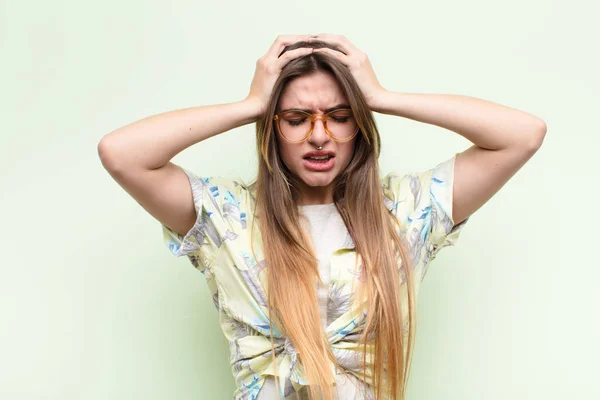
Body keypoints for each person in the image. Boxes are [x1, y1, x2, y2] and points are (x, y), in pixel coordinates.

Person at [98, 34, 546, 400]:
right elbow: (121, 155)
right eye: (296, 118)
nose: (319, 136)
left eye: (340, 116)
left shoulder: (406, 213)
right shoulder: (227, 218)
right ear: (274, 128)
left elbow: (522, 135)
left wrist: (381, 97)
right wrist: (252, 105)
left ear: (360, 126)